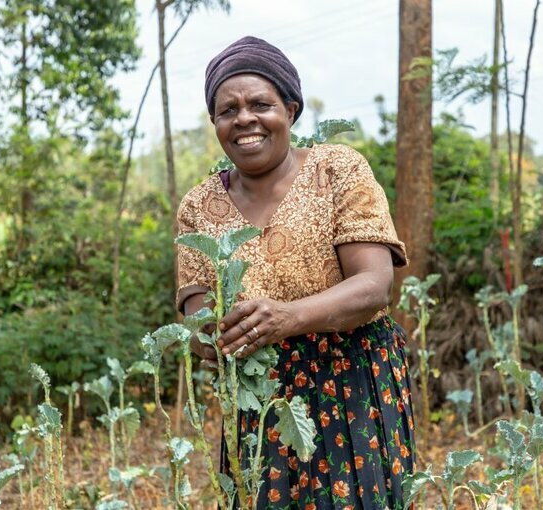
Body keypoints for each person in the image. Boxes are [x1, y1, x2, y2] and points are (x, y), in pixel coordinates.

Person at [176, 35, 415, 509]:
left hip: (353, 381)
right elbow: (198, 322)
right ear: (215, 123)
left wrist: (285, 318)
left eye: (260, 104)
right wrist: (211, 338)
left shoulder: (338, 171)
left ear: (290, 109)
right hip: (258, 397)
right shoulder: (199, 207)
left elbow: (374, 286)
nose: (244, 118)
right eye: (228, 110)